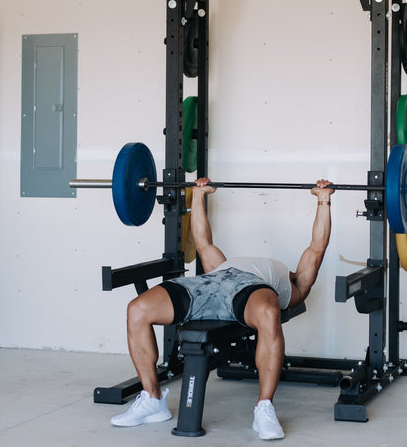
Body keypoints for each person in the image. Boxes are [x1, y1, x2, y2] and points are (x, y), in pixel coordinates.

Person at [110, 177, 335, 440]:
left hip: (252, 289)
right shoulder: (220, 265)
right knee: (137, 308)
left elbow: (316, 249)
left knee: (269, 314)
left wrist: (323, 200)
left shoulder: (295, 284)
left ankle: (264, 408)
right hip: (209, 283)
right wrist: (199, 194)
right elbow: (202, 243)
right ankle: (152, 399)